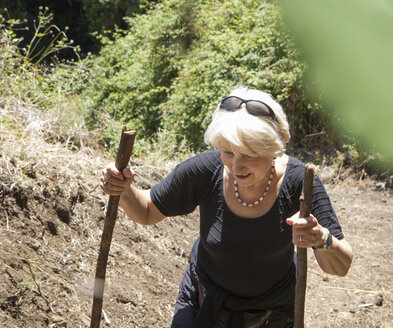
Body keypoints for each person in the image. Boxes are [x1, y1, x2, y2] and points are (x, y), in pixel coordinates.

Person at [100, 86, 353, 328]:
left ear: (274, 150)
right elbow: (146, 210)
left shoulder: (299, 182)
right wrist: (123, 190)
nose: (236, 165)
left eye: (249, 155)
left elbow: (341, 266)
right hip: (203, 300)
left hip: (272, 314)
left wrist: (321, 238)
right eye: (228, 151)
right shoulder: (206, 170)